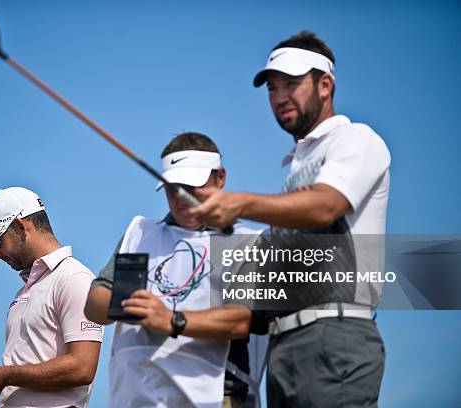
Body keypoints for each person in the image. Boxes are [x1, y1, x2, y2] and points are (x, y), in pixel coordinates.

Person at [189, 31, 390, 407]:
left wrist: (239, 204)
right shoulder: (293, 172)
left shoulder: (356, 140)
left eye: (292, 84)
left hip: (335, 336)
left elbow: (325, 206)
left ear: (325, 84)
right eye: (272, 88)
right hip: (285, 349)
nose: (280, 97)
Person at [84, 132, 267, 408]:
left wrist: (171, 320)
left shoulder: (249, 240)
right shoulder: (140, 232)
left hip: (217, 398)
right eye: (172, 188)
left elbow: (240, 321)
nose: (181, 198)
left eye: (192, 186)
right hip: (136, 397)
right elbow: (95, 302)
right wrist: (127, 303)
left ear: (220, 178)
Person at [0, 187, 103, 408]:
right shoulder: (26, 291)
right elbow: (29, 366)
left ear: (19, 226)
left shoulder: (74, 278)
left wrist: (5, 375)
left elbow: (83, 367)